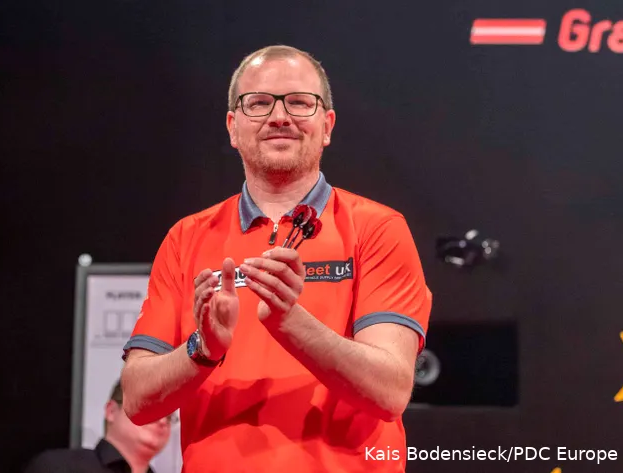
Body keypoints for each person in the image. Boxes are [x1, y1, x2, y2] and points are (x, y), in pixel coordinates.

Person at [120, 45, 432, 473]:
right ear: (233, 127)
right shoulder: (185, 238)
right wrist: (202, 349)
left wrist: (290, 321)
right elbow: (137, 400)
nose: (280, 116)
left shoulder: (378, 228)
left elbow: (391, 390)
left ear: (327, 125)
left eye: (300, 102)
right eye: (259, 103)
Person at [23, 380, 171, 473]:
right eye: (150, 407)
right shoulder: (58, 467)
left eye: (170, 417)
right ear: (111, 411)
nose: (162, 421)